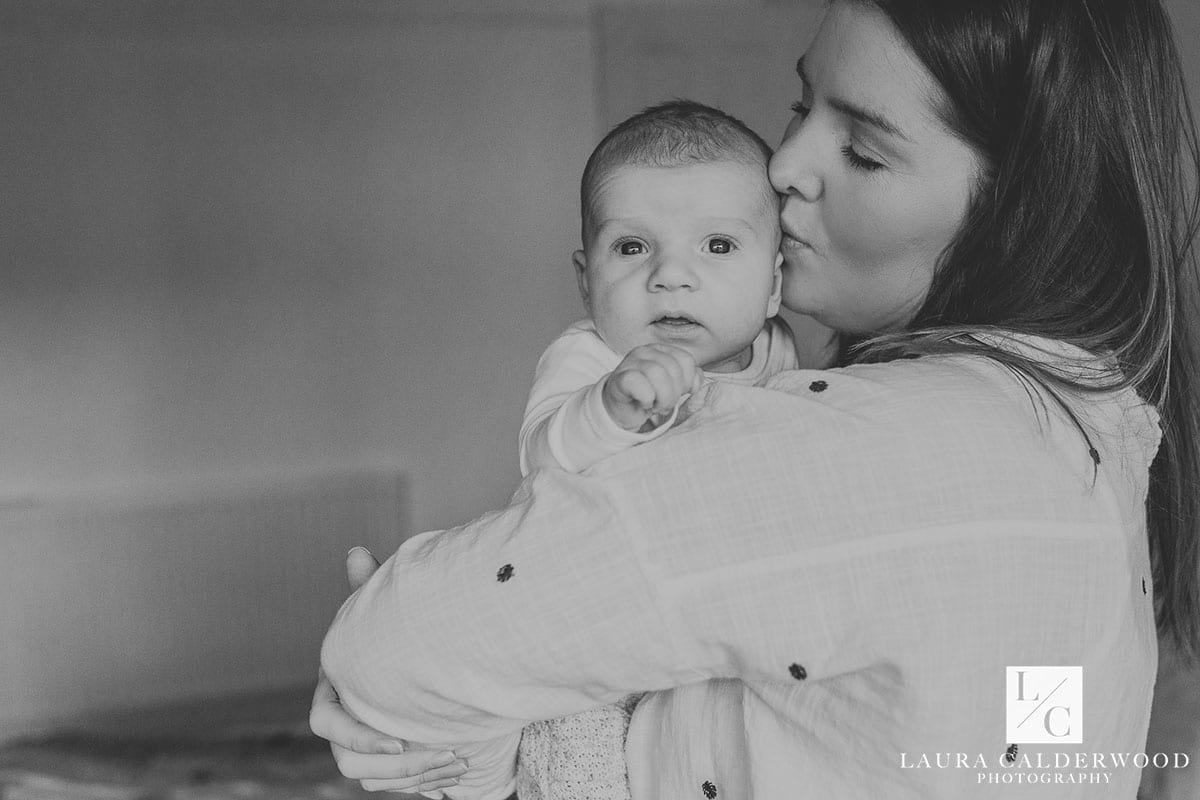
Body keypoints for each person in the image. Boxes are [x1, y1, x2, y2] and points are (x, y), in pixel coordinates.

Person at [310, 0, 1200, 798]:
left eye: (862, 149)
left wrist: (405, 663)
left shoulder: (887, 449)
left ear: (1022, 210)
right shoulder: (1083, 431)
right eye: (800, 107)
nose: (782, 167)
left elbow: (393, 650)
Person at [516, 99, 803, 800]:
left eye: (718, 246)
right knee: (575, 738)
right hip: (598, 621)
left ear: (774, 282)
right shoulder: (589, 358)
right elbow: (543, 459)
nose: (671, 276)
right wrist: (608, 410)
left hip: (719, 625)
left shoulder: (784, 360)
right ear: (587, 280)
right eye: (633, 247)